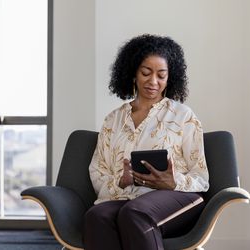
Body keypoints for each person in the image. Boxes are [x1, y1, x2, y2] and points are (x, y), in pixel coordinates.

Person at [84, 34, 209, 250]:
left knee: (135, 213)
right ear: (133, 73)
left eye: (161, 75)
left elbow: (201, 177)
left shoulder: (183, 116)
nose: (153, 82)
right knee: (98, 215)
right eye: (145, 73)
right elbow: (98, 170)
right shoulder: (113, 120)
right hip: (125, 197)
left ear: (170, 78)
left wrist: (173, 182)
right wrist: (120, 182)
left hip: (178, 196)